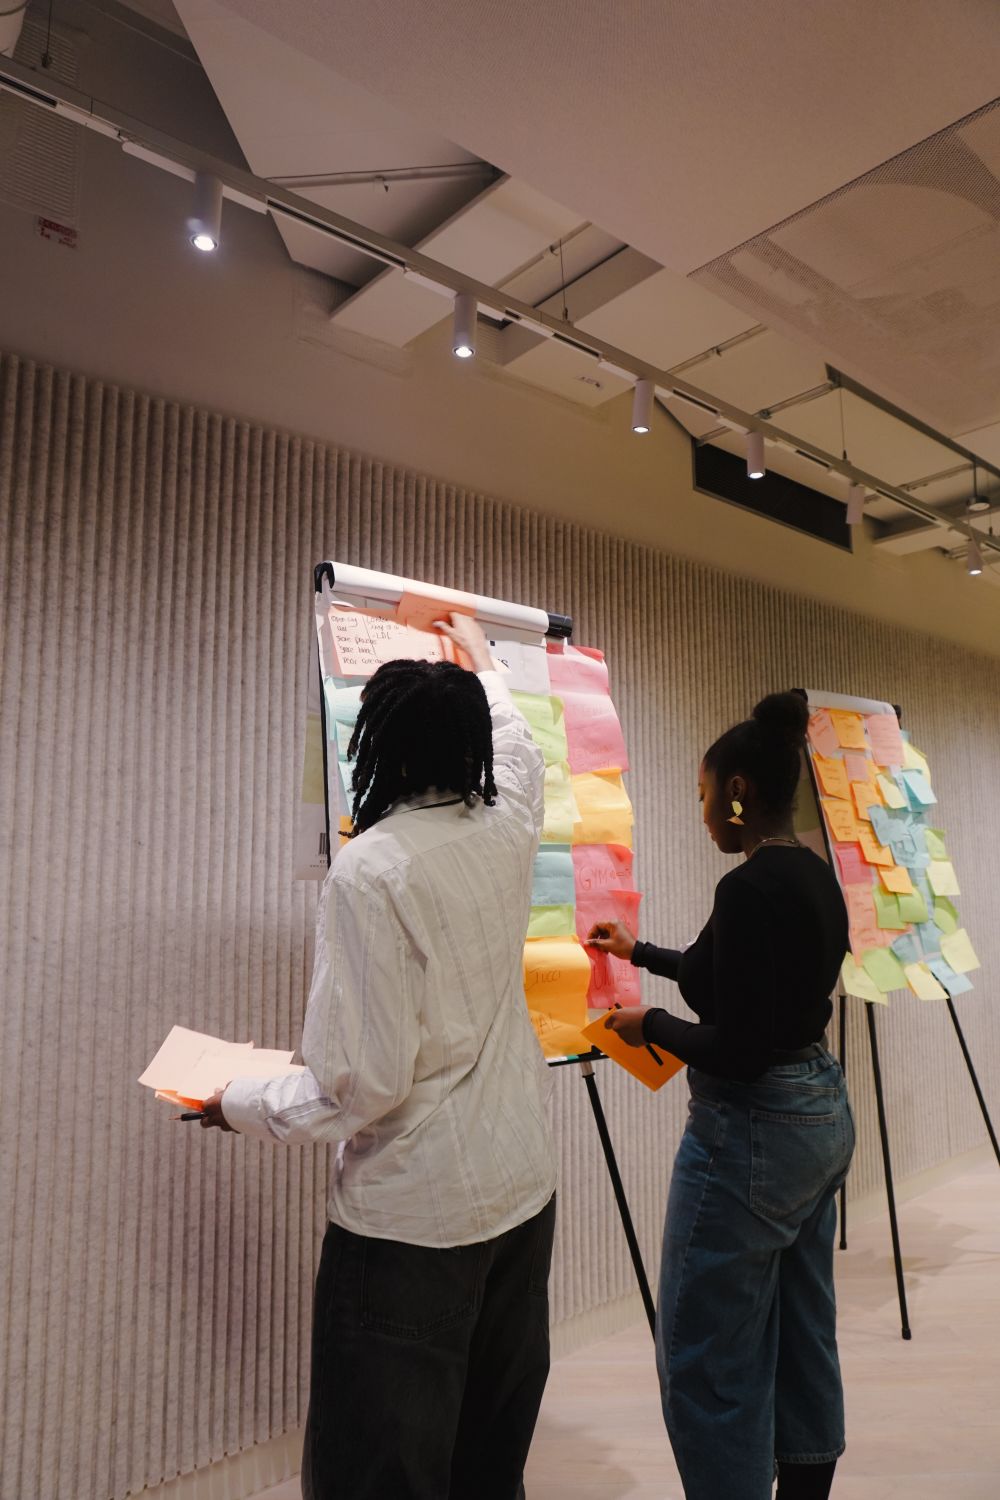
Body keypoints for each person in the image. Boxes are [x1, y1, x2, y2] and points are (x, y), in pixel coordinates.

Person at [199, 613, 556, 1500]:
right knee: (487, 1463)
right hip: (521, 1196)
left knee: (381, 1476)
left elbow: (357, 1087)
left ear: (382, 749)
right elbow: (518, 748)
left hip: (413, 1229)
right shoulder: (506, 821)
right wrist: (480, 660)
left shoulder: (374, 870)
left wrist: (231, 1098)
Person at [590, 691, 854, 1500]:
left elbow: (735, 1048)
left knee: (707, 1358)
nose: (703, 814)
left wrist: (650, 1024)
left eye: (705, 796)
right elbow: (734, 979)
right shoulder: (810, 872)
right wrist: (641, 951)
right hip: (819, 1114)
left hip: (754, 1135)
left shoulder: (746, 892)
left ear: (737, 791)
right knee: (802, 1328)